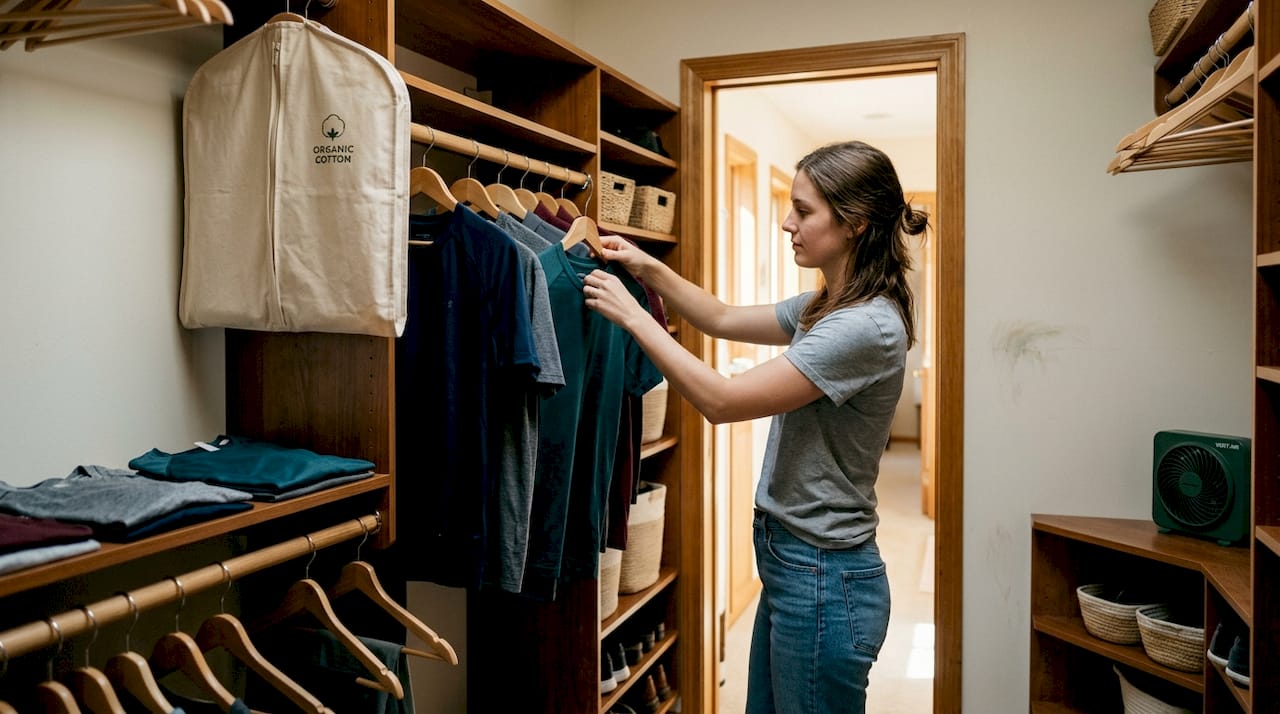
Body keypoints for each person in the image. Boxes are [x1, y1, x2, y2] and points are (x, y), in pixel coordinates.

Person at [582, 140, 928, 713]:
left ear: (856, 223)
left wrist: (634, 316)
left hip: (823, 575)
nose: (786, 222)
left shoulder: (865, 325)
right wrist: (648, 268)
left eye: (804, 210)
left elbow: (722, 400)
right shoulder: (829, 306)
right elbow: (718, 317)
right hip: (795, 559)